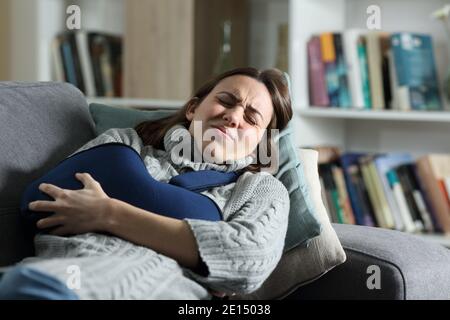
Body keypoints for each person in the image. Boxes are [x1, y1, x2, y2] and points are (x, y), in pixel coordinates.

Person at [0, 67, 292, 300]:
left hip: (148, 284)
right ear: (193, 108)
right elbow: (41, 201)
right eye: (226, 101)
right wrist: (195, 244)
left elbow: (246, 258)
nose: (233, 116)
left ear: (261, 143)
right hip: (53, 268)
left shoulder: (260, 190)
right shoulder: (125, 143)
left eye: (252, 119)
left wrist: (107, 213)